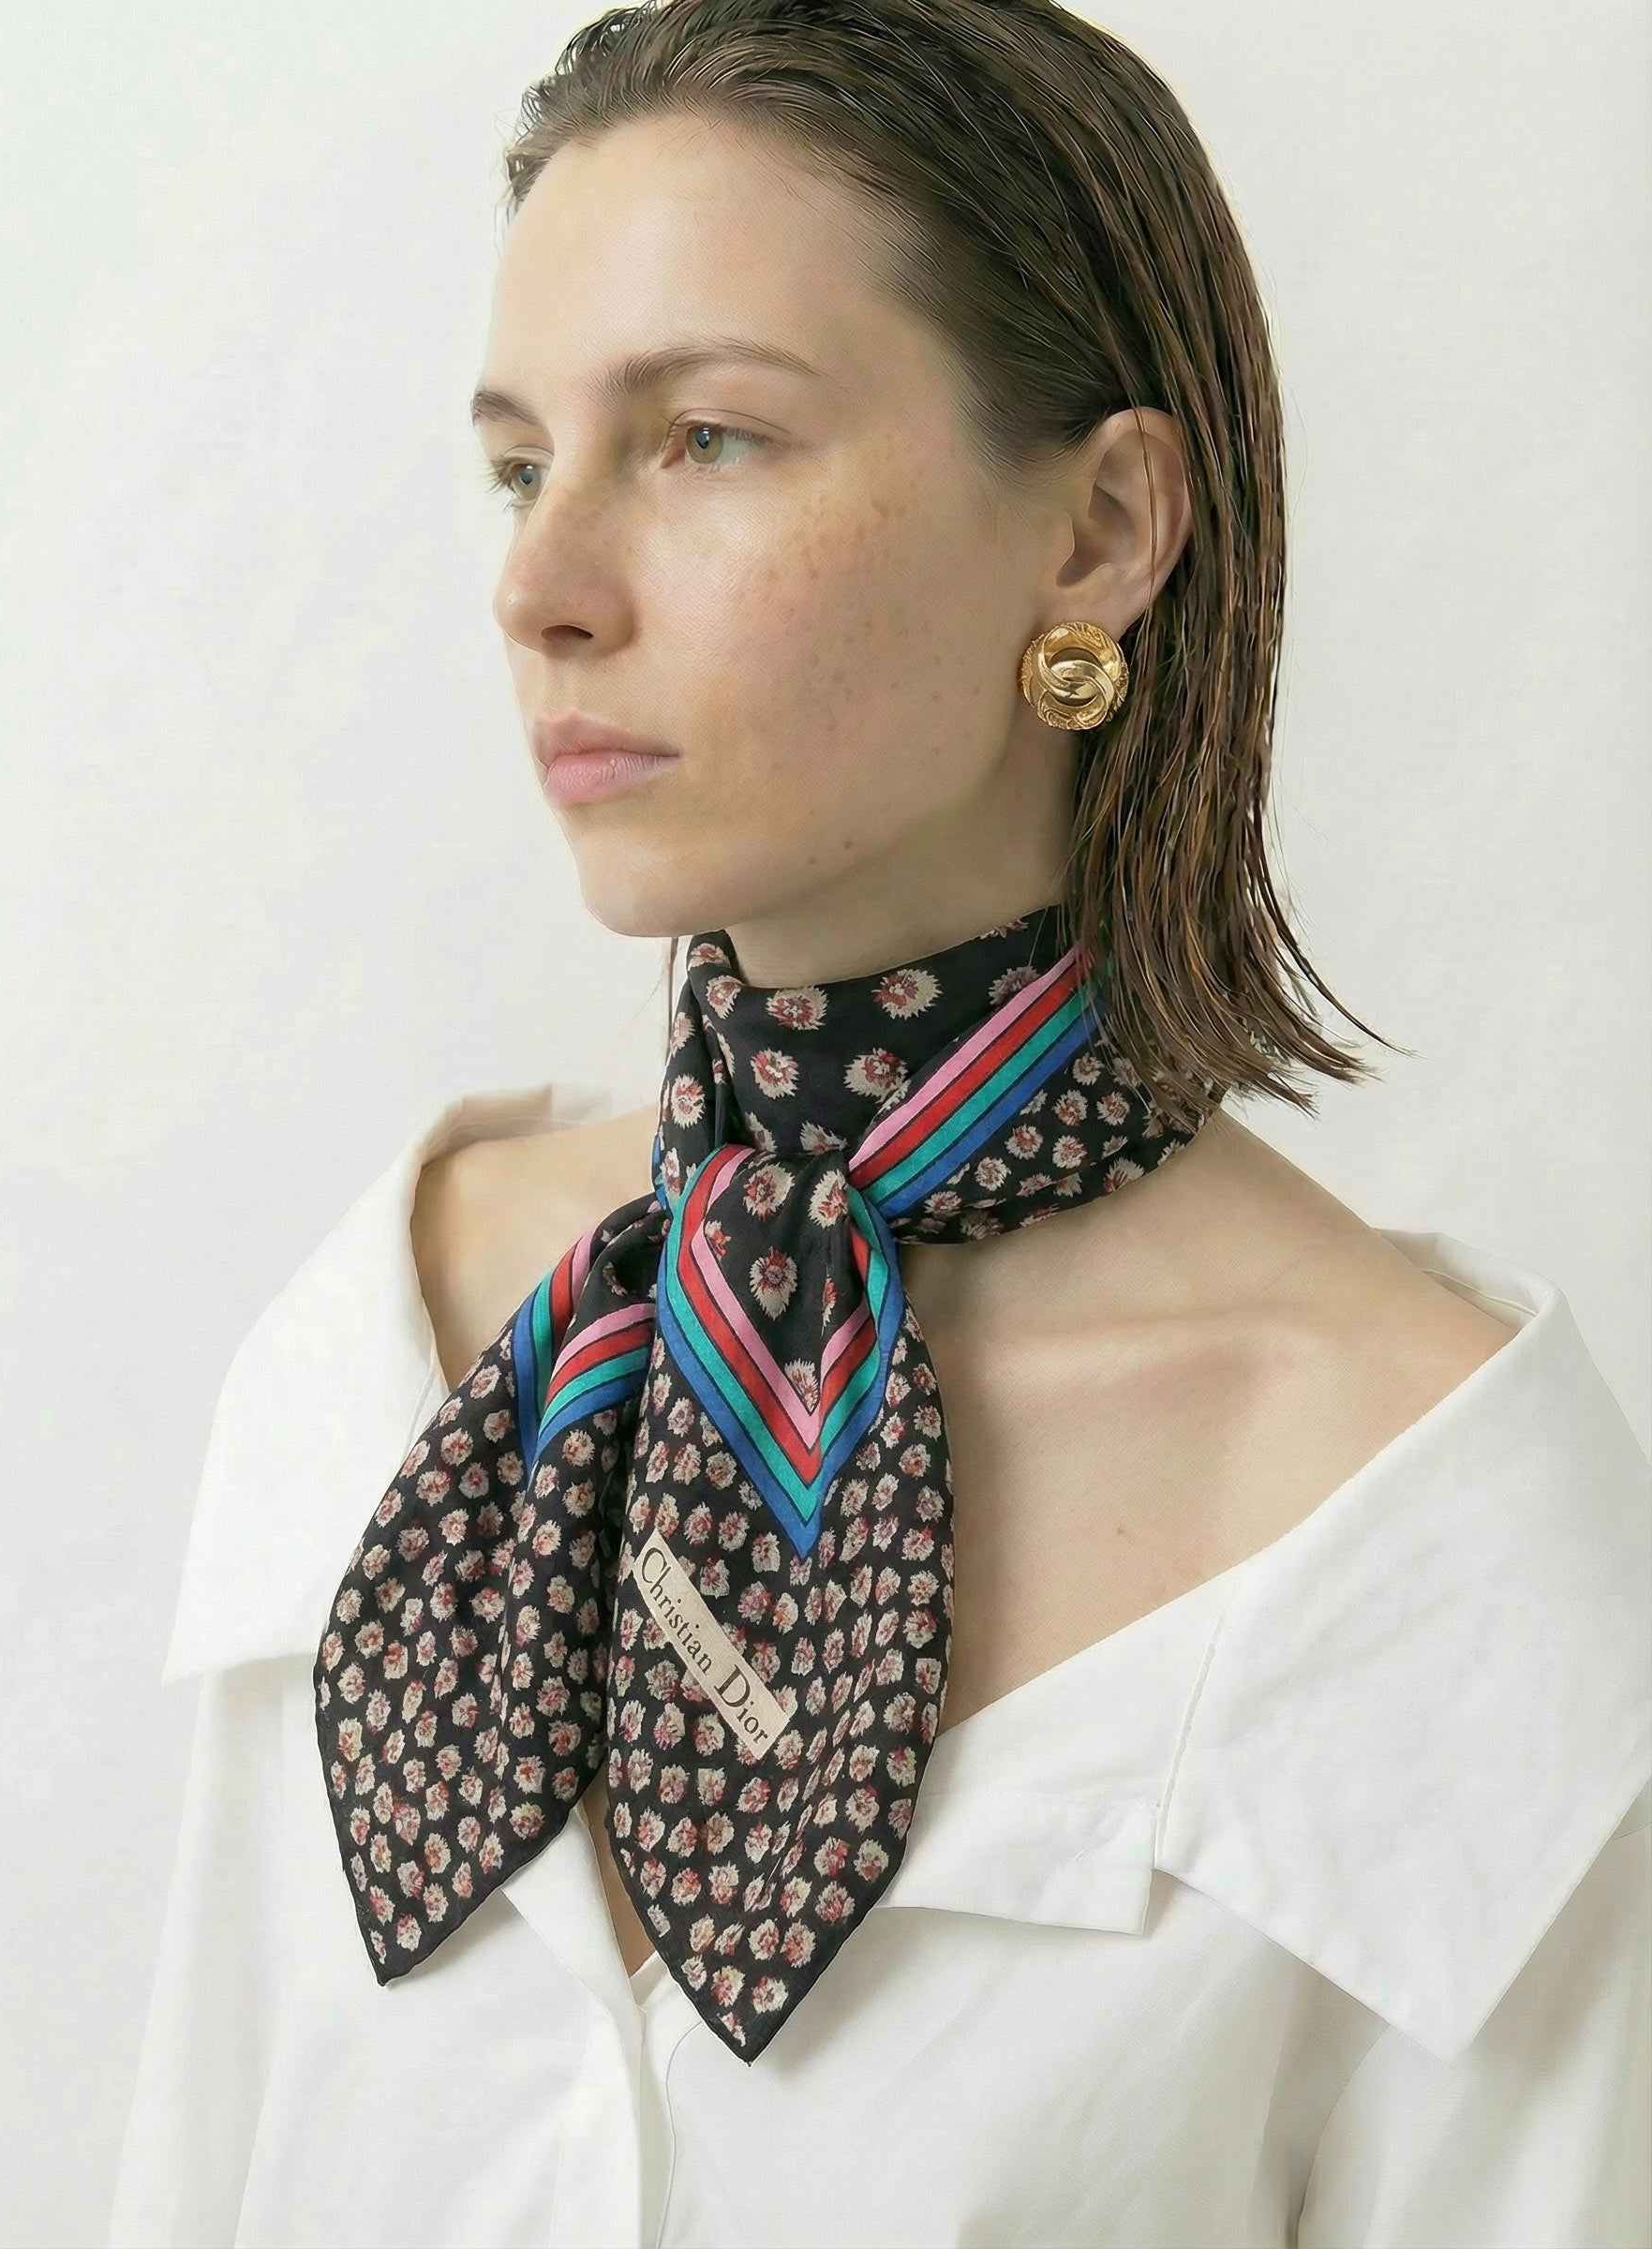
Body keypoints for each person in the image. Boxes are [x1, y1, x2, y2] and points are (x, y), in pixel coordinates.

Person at [106, 2, 1651, 2243]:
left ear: (1098, 530)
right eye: (520, 464)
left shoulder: (1434, 1541)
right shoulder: (383, 1351)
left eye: (707, 439)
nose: (544, 587)